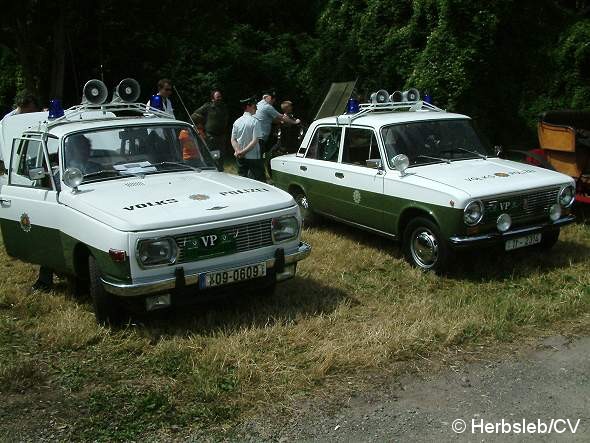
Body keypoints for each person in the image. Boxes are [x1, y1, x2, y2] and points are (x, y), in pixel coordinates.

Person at [193, 90, 229, 171]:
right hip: (211, 136)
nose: (220, 98)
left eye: (220, 97)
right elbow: (195, 115)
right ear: (212, 99)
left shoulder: (223, 107)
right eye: (217, 97)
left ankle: (220, 170)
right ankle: (213, 170)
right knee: (213, 155)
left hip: (221, 136)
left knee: (221, 156)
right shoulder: (208, 107)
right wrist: (200, 126)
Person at [231, 97, 265, 182]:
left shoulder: (237, 122)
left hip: (240, 156)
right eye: (254, 106)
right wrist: (243, 152)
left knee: (242, 180)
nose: (256, 109)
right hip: (253, 157)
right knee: (258, 181)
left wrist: (238, 151)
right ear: (248, 107)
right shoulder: (255, 121)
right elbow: (255, 141)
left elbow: (233, 140)